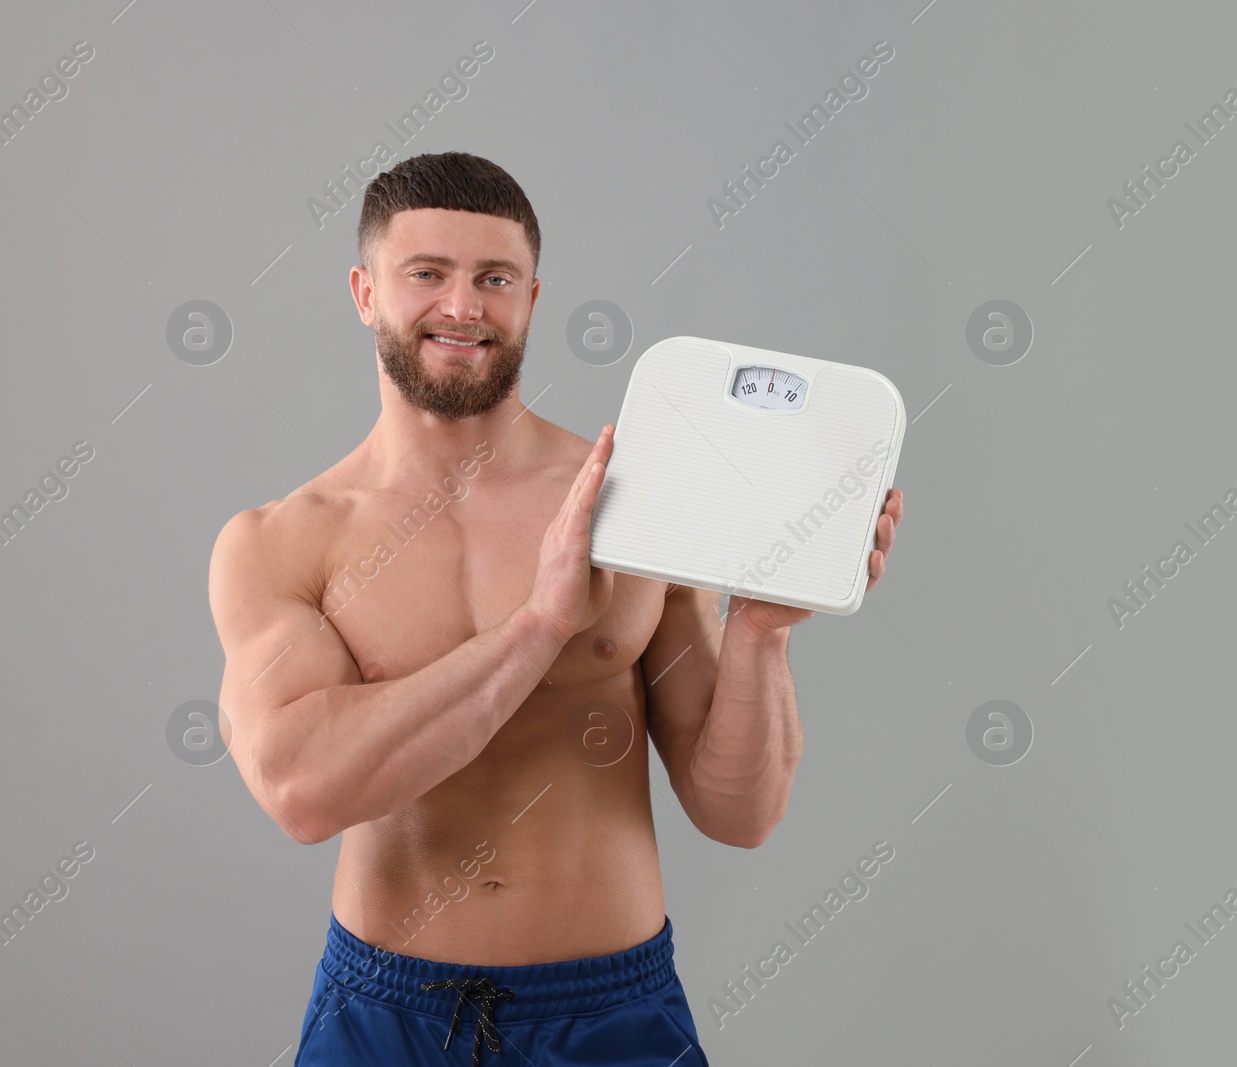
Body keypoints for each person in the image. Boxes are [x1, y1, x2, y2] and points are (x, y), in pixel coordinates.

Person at [206, 151, 905, 1066]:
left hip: (611, 1012)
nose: (463, 307)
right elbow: (303, 791)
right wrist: (540, 624)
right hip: (386, 1016)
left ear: (532, 297)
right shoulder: (282, 542)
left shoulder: (643, 503)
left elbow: (741, 814)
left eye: (493, 279)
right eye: (427, 274)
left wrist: (761, 635)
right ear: (365, 292)